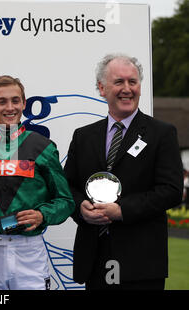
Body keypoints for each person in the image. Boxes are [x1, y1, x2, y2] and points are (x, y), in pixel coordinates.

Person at [64, 53, 183, 290]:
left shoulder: (162, 133)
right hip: (94, 258)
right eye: (119, 82)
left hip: (141, 263)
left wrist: (122, 210)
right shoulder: (83, 136)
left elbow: (171, 191)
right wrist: (81, 208)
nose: (127, 89)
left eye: (133, 82)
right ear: (101, 88)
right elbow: (67, 188)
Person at [0, 75, 75, 290]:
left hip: (29, 250)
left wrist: (43, 214)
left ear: (24, 104)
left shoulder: (41, 146)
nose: (10, 107)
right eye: (2, 101)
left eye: (15, 100)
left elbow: (65, 200)